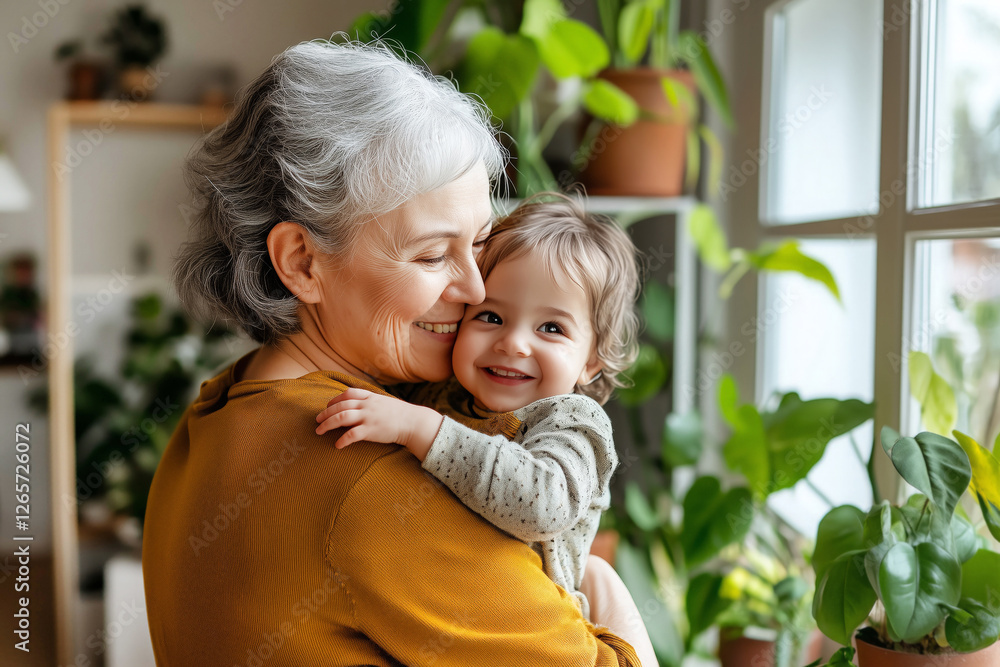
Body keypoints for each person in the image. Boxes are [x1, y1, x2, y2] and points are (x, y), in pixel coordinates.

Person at [142, 39, 642, 666]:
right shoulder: (371, 473)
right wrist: (606, 587)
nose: (476, 289)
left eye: (479, 245)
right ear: (302, 262)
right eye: (433, 255)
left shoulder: (220, 406)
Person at [313, 195, 658, 666]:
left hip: (534, 635)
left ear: (593, 359)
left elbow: (542, 502)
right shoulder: (441, 396)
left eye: (552, 328)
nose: (513, 343)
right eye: (491, 317)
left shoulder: (573, 421)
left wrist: (423, 430)